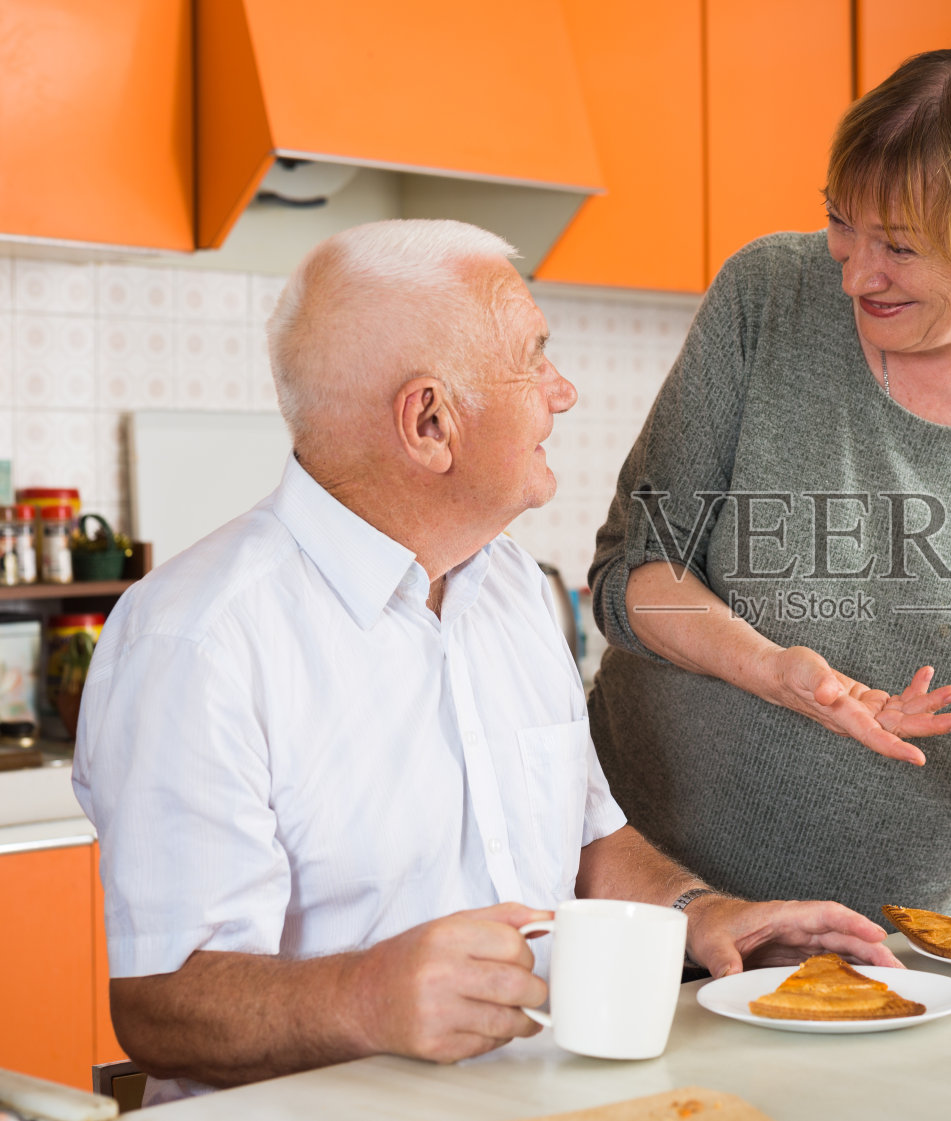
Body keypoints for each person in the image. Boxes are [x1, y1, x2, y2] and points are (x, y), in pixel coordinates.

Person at [71, 220, 895, 1103]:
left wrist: (701, 914)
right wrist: (365, 997)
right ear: (430, 422)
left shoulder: (511, 586)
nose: (563, 391)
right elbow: (161, 1007)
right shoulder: (196, 642)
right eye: (534, 360)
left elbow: (588, 841)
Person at [586, 49, 951, 924]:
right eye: (841, 222)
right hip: (660, 903)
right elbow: (632, 574)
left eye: (898, 247)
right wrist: (772, 670)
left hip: (918, 936)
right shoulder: (766, 298)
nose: (856, 273)